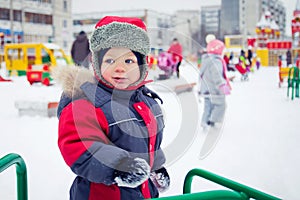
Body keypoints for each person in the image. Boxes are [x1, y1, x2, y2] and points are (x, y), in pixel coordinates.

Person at [54, 16, 169, 200]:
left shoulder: (146, 102)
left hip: (144, 193)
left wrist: (156, 166)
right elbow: (79, 145)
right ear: (97, 64)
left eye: (128, 61)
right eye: (110, 61)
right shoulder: (86, 103)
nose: (119, 68)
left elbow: (148, 142)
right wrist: (119, 166)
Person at [198, 39, 231, 129]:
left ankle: (204, 122)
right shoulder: (216, 61)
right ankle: (211, 121)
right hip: (213, 89)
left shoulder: (206, 59)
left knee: (208, 106)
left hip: (205, 88)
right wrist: (223, 86)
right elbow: (217, 76)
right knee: (221, 105)